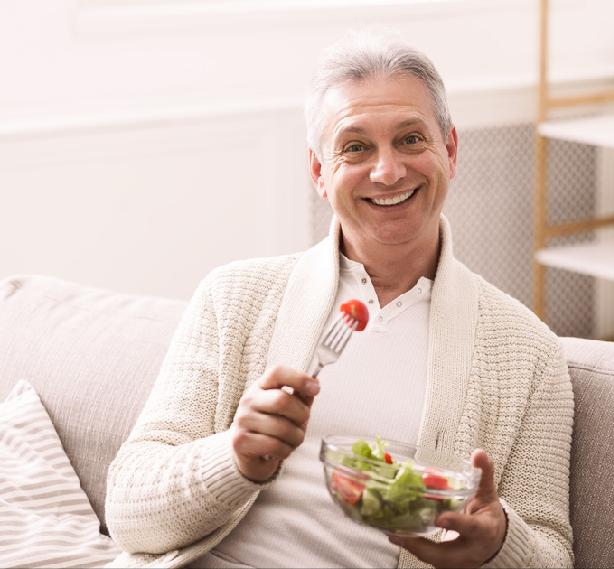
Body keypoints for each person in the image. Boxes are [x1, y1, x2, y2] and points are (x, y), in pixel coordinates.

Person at [105, 31, 574, 569]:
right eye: (355, 147)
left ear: (449, 149)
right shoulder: (232, 297)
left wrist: (498, 545)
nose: (388, 171)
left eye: (410, 139)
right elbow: (128, 513)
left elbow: (551, 555)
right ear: (319, 173)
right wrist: (232, 460)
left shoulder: (529, 351)